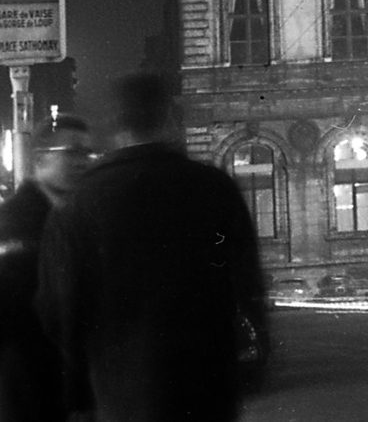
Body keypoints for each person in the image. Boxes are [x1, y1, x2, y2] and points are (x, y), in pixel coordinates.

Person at [35, 73, 267, 422]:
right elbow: (247, 287)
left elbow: (59, 313)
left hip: (124, 397)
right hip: (208, 394)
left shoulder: (77, 208)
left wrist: (88, 378)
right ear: (169, 118)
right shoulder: (214, 190)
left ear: (115, 127)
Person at [0, 114, 93, 422]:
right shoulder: (13, 221)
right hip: (31, 387)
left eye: (87, 153)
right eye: (73, 152)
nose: (84, 162)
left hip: (75, 388)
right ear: (41, 159)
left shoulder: (79, 216)